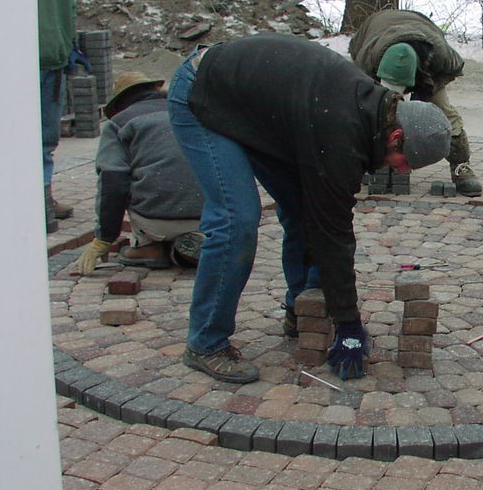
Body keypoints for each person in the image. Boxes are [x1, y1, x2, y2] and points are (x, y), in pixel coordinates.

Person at [168, 33, 452, 383]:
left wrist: (323, 305)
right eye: (402, 162)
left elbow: (320, 214)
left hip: (256, 103)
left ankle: (301, 309)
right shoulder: (341, 135)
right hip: (204, 92)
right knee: (236, 217)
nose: (400, 171)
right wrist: (348, 323)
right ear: (396, 137)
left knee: (304, 206)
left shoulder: (371, 112)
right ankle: (205, 342)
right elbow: (333, 233)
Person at [74, 72, 205, 276]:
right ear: (155, 89)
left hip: (156, 221)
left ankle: (147, 247)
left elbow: (113, 182)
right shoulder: (189, 112)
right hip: (208, 218)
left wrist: (104, 238)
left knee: (130, 178)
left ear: (118, 105)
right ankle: (181, 250)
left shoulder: (118, 123)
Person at [348, 9, 482, 196]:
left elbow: (452, 71)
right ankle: (366, 160)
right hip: (378, 34)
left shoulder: (441, 55)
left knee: (443, 111)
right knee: (366, 111)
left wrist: (425, 98)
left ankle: (461, 166)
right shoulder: (367, 58)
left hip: (425, 61)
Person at [36, 0, 77, 233]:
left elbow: (68, 5)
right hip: (23, 64)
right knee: (24, 138)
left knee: (48, 138)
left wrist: (70, 46)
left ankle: (44, 196)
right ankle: (31, 200)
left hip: (54, 61)